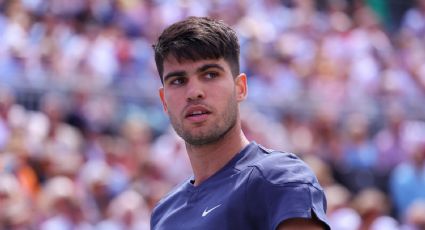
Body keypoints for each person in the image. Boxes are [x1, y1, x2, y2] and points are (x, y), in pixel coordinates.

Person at [150, 16, 330, 230]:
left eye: (210, 74)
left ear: (240, 88)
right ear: (164, 101)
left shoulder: (280, 179)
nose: (194, 92)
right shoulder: (164, 213)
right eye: (178, 81)